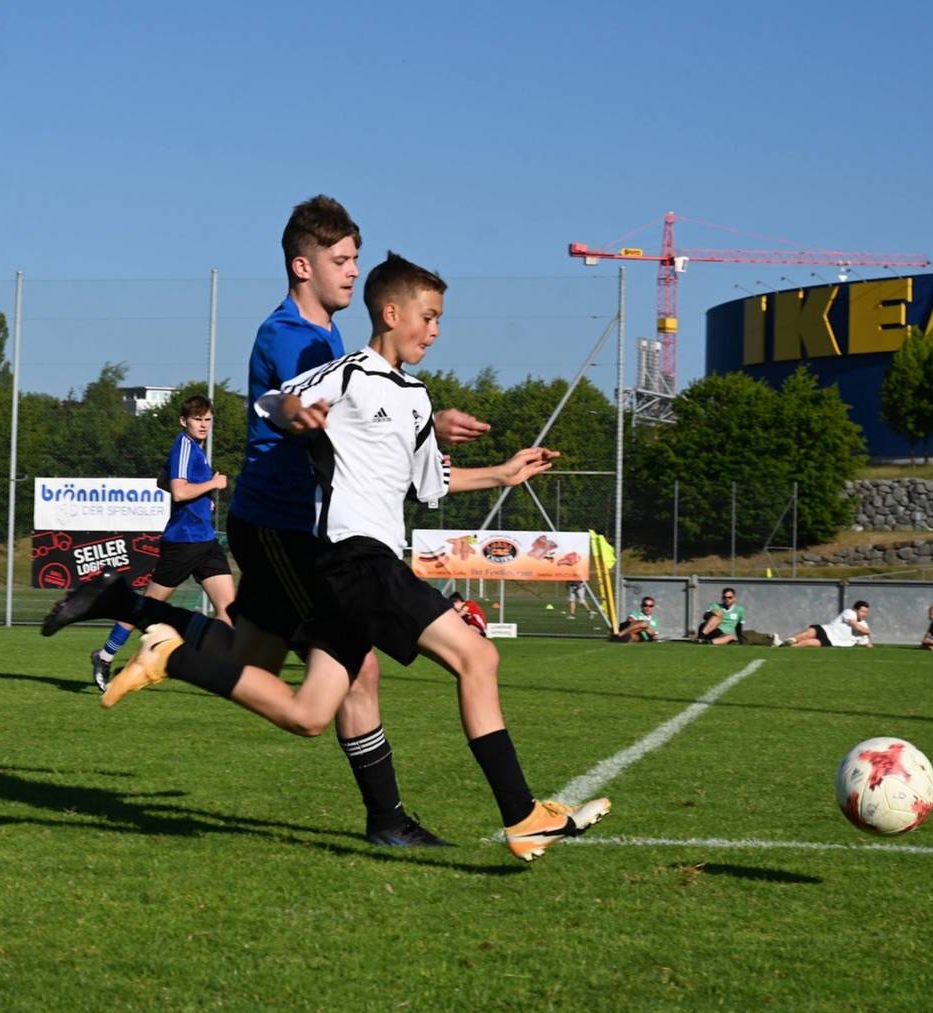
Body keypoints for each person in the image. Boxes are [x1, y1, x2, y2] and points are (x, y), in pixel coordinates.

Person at [96, 252, 612, 863]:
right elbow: (276, 402)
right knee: (478, 656)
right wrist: (294, 412)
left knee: (310, 712)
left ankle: (175, 658)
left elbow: (431, 486)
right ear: (392, 313)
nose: (437, 329)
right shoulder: (348, 374)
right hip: (356, 559)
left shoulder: (417, 397)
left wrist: (502, 473)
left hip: (359, 568)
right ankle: (523, 815)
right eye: (430, 316)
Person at [46, 196, 489, 847]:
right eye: (339, 260)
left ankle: (122, 603)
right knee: (349, 668)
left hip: (277, 526)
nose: (350, 272)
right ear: (300, 265)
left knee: (244, 654)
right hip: (283, 528)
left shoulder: (327, 334)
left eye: (355, 259)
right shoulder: (293, 335)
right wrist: (393, 421)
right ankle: (386, 818)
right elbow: (292, 401)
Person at [90, 395, 235, 691]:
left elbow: (164, 481)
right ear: (184, 421)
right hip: (183, 543)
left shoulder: (196, 450)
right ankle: (104, 656)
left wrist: (203, 500)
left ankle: (223, 671)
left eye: (208, 419)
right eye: (198, 419)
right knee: (146, 606)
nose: (204, 424)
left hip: (205, 541)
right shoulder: (183, 445)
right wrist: (212, 485)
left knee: (229, 608)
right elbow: (179, 492)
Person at [782, 600, 873, 648]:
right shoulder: (849, 612)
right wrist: (868, 632)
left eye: (866, 612)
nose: (864, 614)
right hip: (825, 630)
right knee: (806, 635)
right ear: (855, 610)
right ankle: (784, 643)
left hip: (831, 641)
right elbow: (856, 626)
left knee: (806, 643)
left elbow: (864, 643)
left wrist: (870, 645)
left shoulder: (865, 625)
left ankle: (788, 648)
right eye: (862, 611)